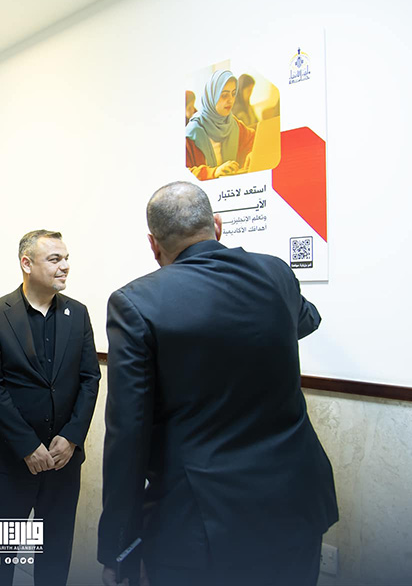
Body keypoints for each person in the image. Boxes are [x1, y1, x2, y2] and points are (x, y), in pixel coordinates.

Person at [98, 181, 338, 586]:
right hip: (295, 506)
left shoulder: (136, 303)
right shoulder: (276, 272)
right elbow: (307, 320)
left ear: (153, 245)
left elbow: (128, 436)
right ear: (218, 225)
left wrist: (120, 549)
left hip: (201, 526)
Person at [0, 230, 100, 586]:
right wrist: (28, 446)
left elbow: (90, 378)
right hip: (10, 463)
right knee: (0, 561)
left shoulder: (78, 313)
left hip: (63, 462)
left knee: (54, 559)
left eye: (66, 258)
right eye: (55, 259)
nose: (65, 266)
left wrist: (72, 437)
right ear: (26, 264)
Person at [185, 69, 256, 180]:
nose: (231, 100)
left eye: (233, 94)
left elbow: (254, 141)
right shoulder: (191, 133)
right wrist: (213, 172)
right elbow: (183, 173)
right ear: (211, 97)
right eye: (224, 95)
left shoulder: (234, 124)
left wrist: (252, 153)